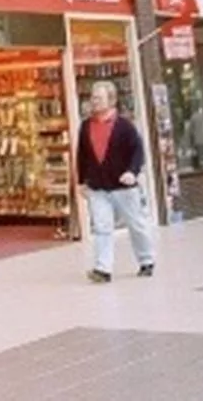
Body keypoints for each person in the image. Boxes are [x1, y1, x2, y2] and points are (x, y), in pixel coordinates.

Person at [75, 80, 155, 282]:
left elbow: (137, 151)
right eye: (93, 97)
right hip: (97, 187)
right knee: (102, 228)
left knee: (135, 224)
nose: (94, 101)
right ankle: (103, 269)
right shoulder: (85, 127)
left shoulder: (124, 126)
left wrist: (132, 172)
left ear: (111, 100)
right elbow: (81, 155)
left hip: (123, 186)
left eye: (99, 98)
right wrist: (81, 181)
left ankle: (146, 260)